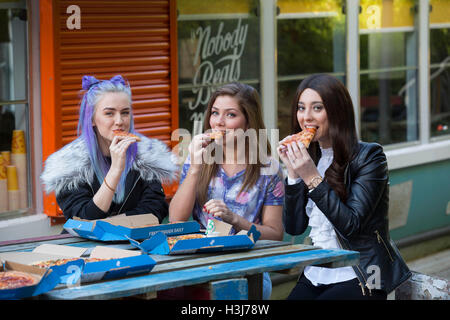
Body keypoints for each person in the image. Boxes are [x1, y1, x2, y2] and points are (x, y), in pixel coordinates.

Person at [277, 74, 411, 300]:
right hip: (316, 272)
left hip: (363, 275)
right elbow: (294, 227)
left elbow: (351, 225)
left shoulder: (370, 156)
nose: (306, 117)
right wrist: (292, 174)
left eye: (317, 108)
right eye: (301, 108)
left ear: (337, 111)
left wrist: (311, 176)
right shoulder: (309, 156)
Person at [169, 82, 285, 299]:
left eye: (230, 115)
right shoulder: (199, 158)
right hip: (199, 265)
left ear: (249, 121)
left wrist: (235, 219)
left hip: (248, 268)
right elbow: (176, 219)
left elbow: (275, 235)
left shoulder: (268, 169)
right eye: (215, 113)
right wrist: (194, 168)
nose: (219, 122)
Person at [41, 75, 177, 222]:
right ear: (92, 118)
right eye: (109, 113)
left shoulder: (146, 156)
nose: (119, 121)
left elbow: (155, 209)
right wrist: (115, 171)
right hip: (84, 244)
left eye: (125, 112)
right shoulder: (70, 165)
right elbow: (82, 217)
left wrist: (112, 224)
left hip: (134, 242)